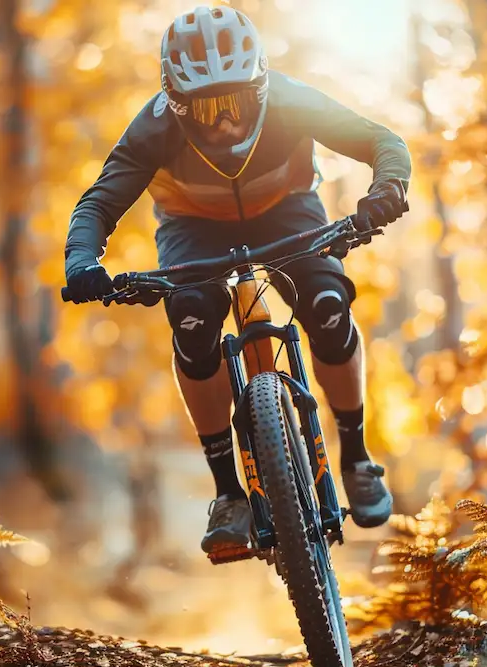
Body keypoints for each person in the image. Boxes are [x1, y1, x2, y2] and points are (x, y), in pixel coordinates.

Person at [63, 6, 412, 554]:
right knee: (192, 323)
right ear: (177, 104)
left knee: (327, 304)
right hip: (192, 228)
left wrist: (387, 188)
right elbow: (98, 204)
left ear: (261, 86)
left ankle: (357, 456)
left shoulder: (291, 101)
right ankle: (229, 495)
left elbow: (381, 141)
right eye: (204, 109)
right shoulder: (154, 128)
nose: (223, 121)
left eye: (234, 102)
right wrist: (82, 262)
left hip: (288, 209)